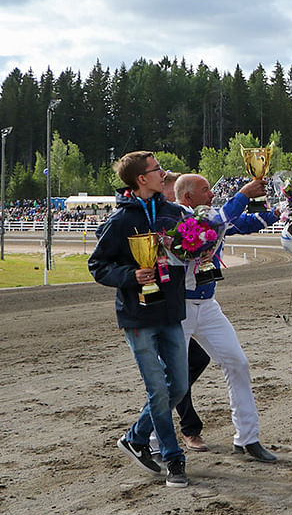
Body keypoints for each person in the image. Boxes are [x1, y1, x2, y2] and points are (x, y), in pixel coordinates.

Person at [88, 151, 190, 487]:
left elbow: (190, 249)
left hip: (171, 311)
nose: (164, 173)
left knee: (179, 386)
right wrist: (132, 276)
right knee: (159, 391)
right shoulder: (119, 222)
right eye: (157, 169)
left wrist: (198, 249)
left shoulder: (174, 213)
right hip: (137, 316)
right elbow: (98, 266)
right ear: (141, 179)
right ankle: (174, 459)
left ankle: (136, 436)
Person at [172, 173, 279, 463]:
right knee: (170, 378)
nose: (211, 192)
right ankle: (155, 440)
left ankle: (247, 438)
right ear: (187, 198)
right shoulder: (180, 217)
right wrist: (244, 193)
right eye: (205, 189)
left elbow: (241, 224)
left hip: (207, 307)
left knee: (237, 363)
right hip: (178, 308)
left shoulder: (211, 214)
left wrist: (276, 213)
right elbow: (217, 221)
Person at [161, 170, 211, 452]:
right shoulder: (162, 218)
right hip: (163, 307)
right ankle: (185, 429)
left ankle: (172, 408)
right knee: (176, 372)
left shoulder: (182, 219)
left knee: (193, 363)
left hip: (182, 304)